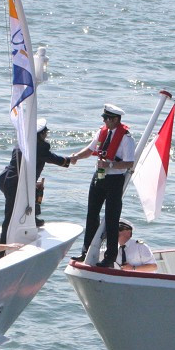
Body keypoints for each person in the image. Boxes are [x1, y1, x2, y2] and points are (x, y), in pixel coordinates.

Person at [71, 104, 136, 266]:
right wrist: (76, 157)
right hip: (99, 177)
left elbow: (129, 163)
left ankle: (110, 257)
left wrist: (111, 166)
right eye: (104, 118)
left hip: (114, 180)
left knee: (111, 219)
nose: (105, 120)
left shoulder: (127, 138)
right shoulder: (102, 132)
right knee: (92, 215)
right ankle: (86, 251)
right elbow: (90, 149)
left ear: (116, 119)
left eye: (108, 118)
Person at [0, 118, 74, 243]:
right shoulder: (40, 146)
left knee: (36, 191)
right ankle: (3, 249)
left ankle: (32, 218)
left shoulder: (22, 143)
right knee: (10, 217)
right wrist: (68, 160)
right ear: (42, 134)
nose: (46, 136)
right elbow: (52, 158)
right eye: (46, 133)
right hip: (15, 183)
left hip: (7, 178)